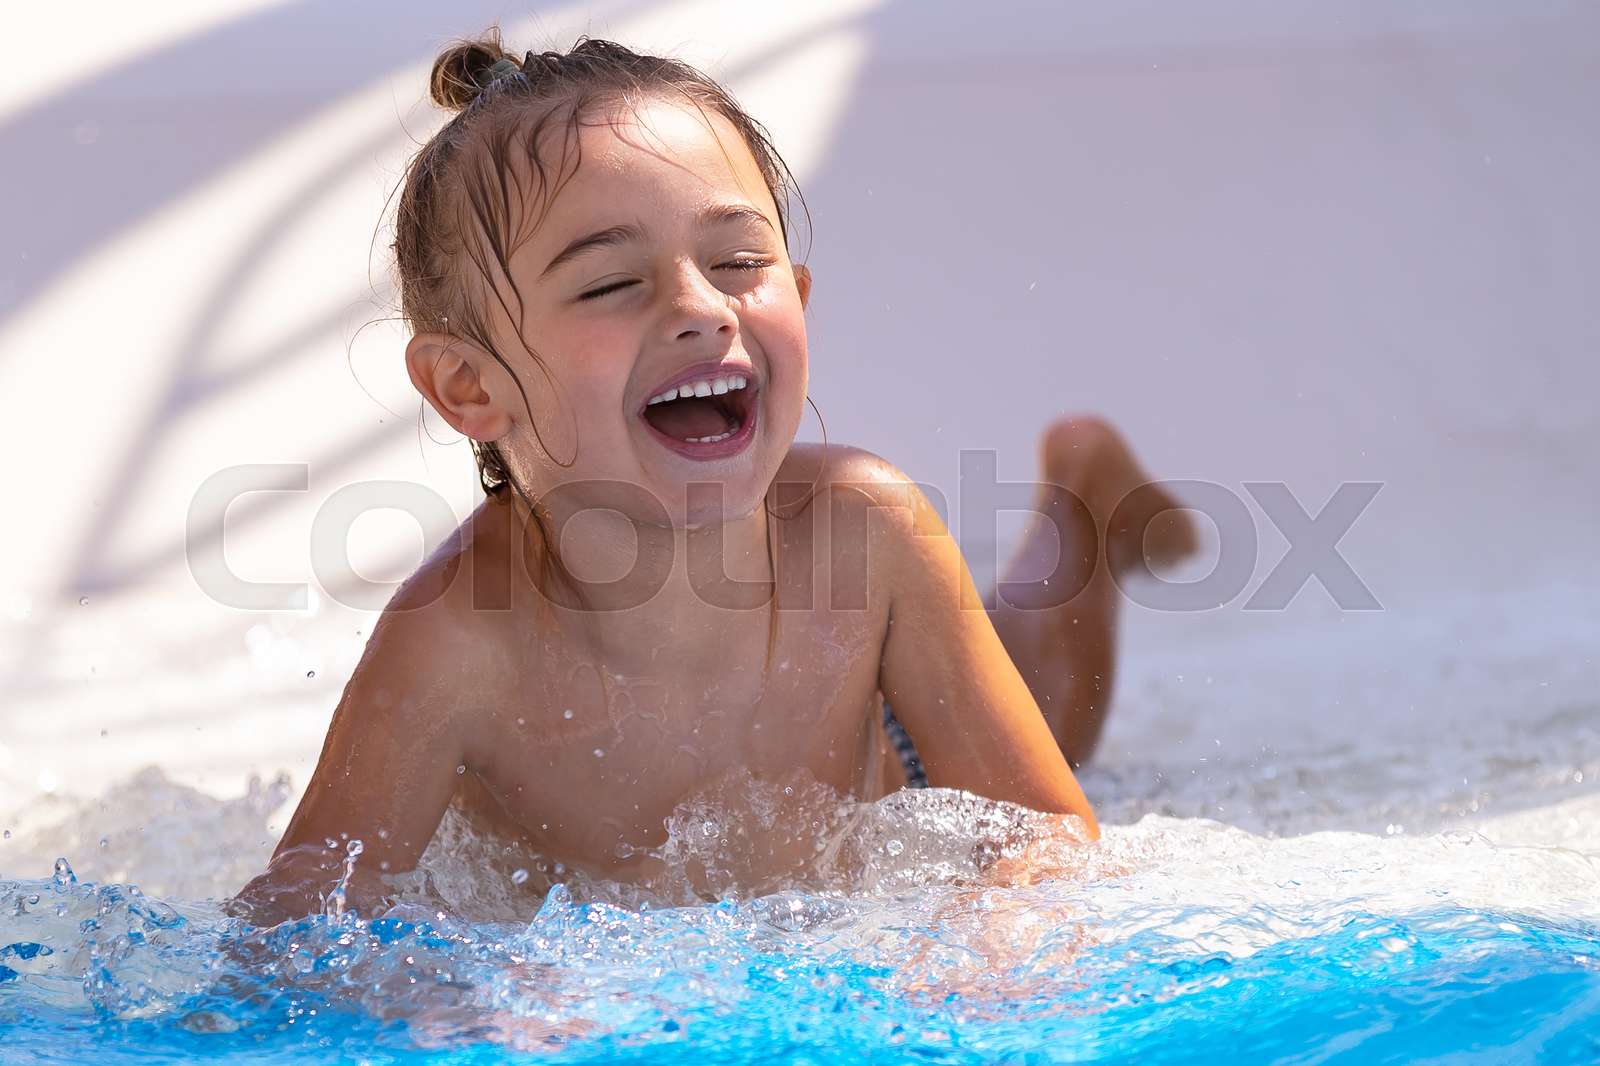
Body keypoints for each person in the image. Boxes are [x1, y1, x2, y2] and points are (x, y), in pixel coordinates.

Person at [233, 32, 1194, 922]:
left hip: (894, 769)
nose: (701, 308)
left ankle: (1086, 509)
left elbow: (1049, 839)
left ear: (800, 298)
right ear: (469, 384)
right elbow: (295, 935)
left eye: (739, 262)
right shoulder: (456, 639)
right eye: (612, 283)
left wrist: (994, 937)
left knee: (1051, 700)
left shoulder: (866, 530)